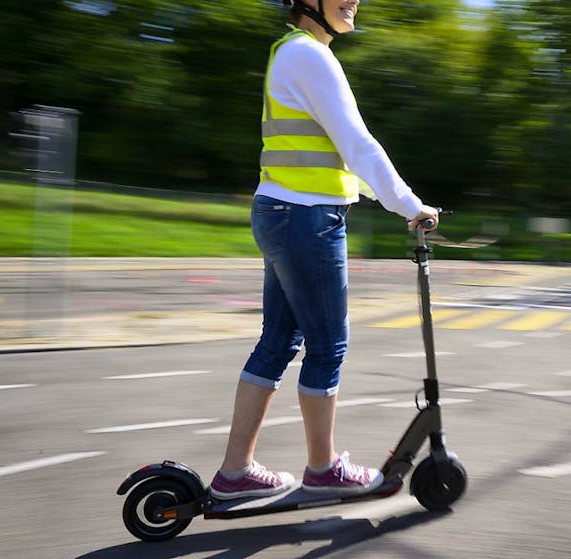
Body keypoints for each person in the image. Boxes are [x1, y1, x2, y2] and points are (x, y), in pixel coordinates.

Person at [208, 0, 440, 500]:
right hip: (306, 219)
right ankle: (323, 468)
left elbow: (341, 155)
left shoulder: (290, 53)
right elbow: (358, 144)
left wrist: (397, 202)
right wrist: (410, 205)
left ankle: (234, 474)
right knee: (328, 345)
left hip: (283, 212)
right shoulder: (311, 56)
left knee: (277, 343)